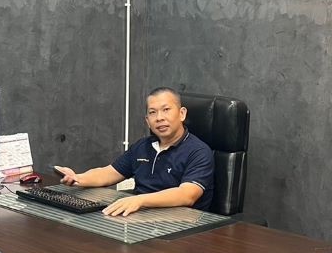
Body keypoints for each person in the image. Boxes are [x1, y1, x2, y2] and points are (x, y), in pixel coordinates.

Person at [55, 88, 215, 217]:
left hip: (183, 227)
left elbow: (187, 195)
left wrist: (139, 200)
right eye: (152, 112)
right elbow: (109, 173)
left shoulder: (199, 151)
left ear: (182, 114)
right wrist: (78, 178)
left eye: (166, 110)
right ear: (147, 121)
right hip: (142, 219)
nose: (159, 118)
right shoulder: (143, 146)